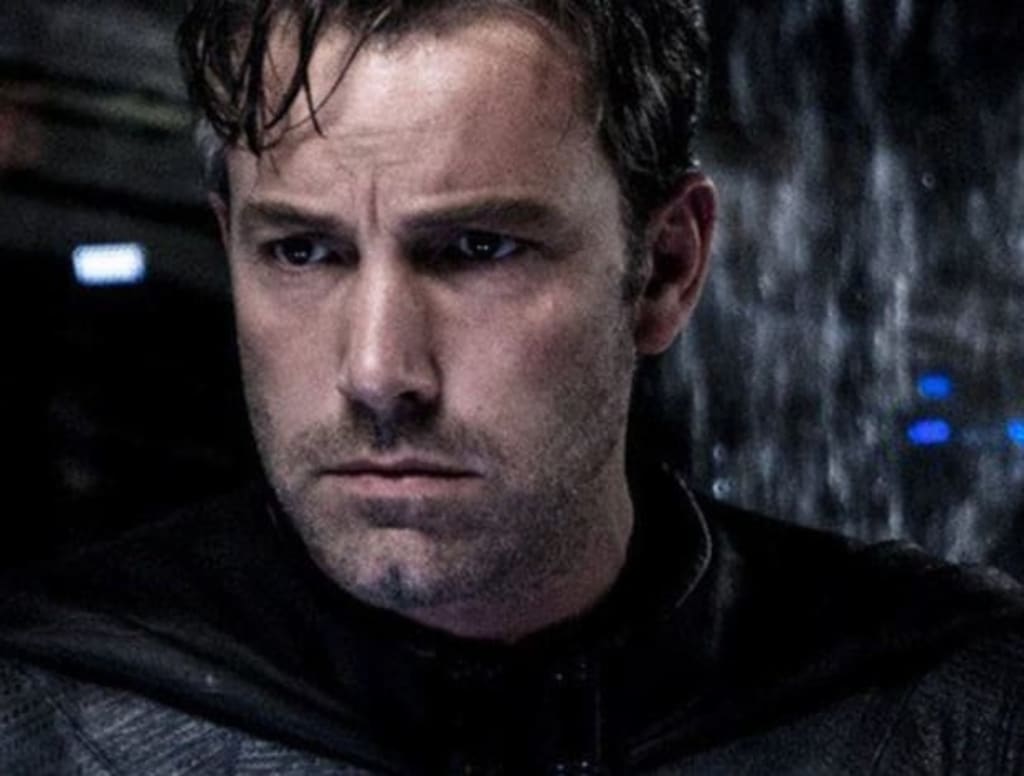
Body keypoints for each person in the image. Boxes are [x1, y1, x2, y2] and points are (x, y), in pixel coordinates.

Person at [2, 1, 1024, 773]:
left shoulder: (944, 708)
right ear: (229, 248)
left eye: (477, 249)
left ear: (665, 269)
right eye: (302, 251)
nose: (378, 373)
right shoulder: (42, 710)